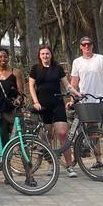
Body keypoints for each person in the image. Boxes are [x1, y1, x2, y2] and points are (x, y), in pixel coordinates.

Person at [69, 37, 103, 170]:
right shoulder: (77, 62)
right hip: (85, 100)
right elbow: (74, 81)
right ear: (81, 47)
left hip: (100, 98)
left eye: (89, 44)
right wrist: (72, 98)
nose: (87, 46)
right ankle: (98, 160)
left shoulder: (100, 58)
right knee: (93, 131)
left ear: (92, 46)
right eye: (84, 44)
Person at [28, 44, 78, 178]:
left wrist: (76, 93)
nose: (45, 56)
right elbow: (31, 86)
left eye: (47, 53)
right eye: (43, 54)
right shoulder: (35, 69)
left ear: (51, 55)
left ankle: (69, 166)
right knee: (48, 137)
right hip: (43, 107)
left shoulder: (58, 68)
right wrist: (36, 102)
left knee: (62, 134)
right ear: (39, 56)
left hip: (57, 104)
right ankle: (52, 165)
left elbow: (67, 85)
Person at [0, 47, 24, 147]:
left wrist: (18, 100)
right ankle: (5, 162)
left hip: (13, 112)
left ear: (8, 58)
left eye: (5, 57)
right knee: (3, 143)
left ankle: (26, 162)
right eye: (0, 57)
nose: (3, 59)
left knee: (20, 141)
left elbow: (21, 92)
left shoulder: (15, 73)